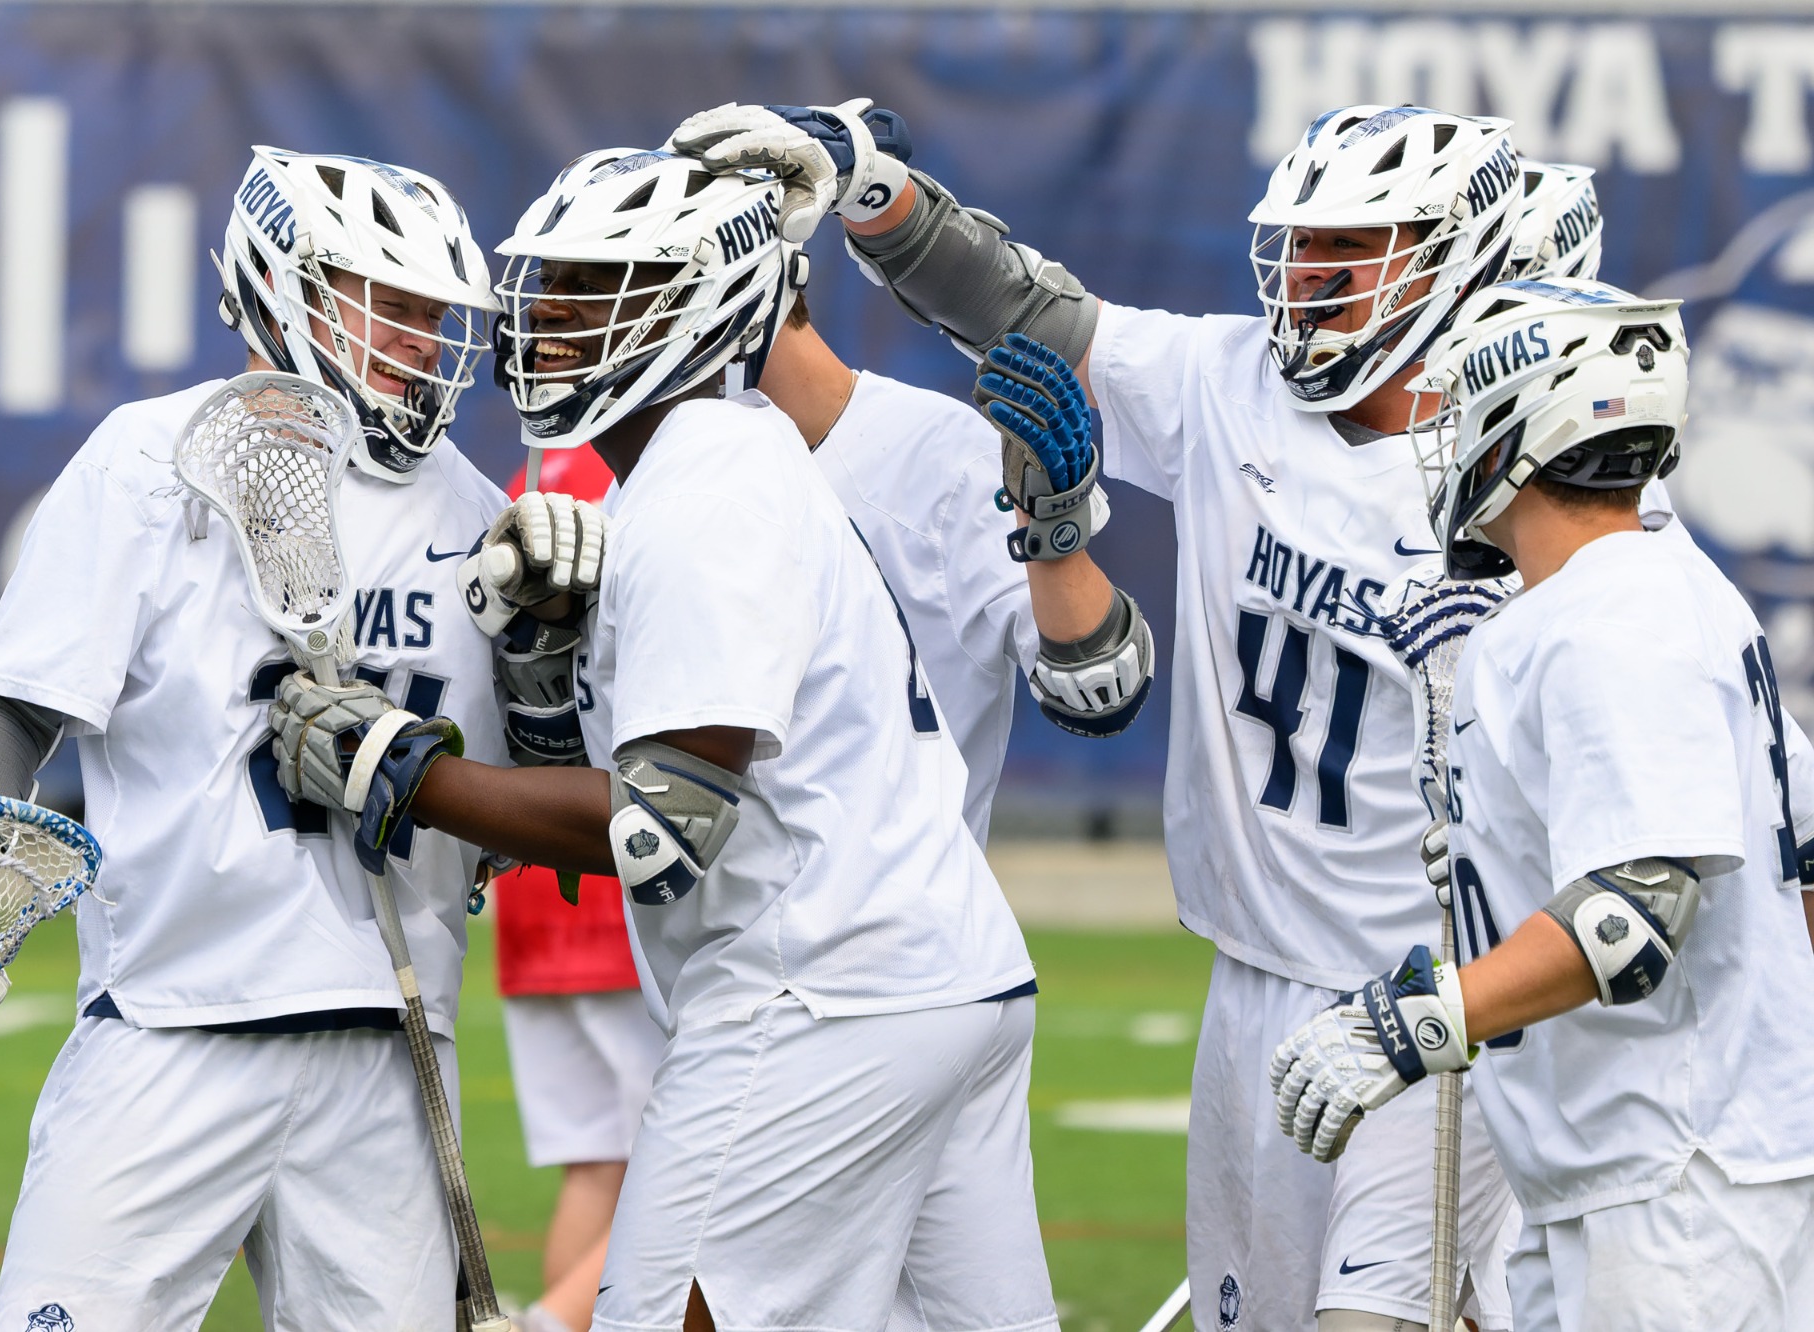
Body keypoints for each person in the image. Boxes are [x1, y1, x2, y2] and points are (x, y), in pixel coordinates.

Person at [668, 99, 1527, 1330]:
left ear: (1463, 258)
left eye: (1354, 250)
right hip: (1251, 982)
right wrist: (872, 190)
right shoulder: (1238, 385)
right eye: (1299, 247)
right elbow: (1027, 312)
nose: (1311, 280)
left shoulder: (1515, 480)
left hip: (1426, 987)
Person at [265, 147, 1057, 1332]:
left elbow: (658, 833)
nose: (551, 323)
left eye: (599, 292)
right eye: (547, 290)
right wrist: (541, 671)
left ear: (708, 309)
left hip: (817, 993)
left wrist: (404, 772)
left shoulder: (704, 483)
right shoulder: (690, 479)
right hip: (943, 976)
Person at [0, 146, 510, 1329]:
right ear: (288, 289)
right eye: (396, 307)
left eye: (436, 315)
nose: (425, 340)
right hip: (170, 1024)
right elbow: (12, 708)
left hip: (390, 1039)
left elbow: (508, 813)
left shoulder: (477, 512)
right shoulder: (148, 460)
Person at [1271, 277, 1814, 1329]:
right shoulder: (1657, 586)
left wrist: (1417, 1022)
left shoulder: (1610, 616)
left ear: (1523, 417)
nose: (1440, 433)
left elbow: (1633, 917)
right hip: (1637, 1163)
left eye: (1458, 402)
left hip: (1672, 1177)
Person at [756, 291, 1150, 845]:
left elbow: (1102, 689)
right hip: (703, 925)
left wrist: (1054, 529)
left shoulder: (944, 456)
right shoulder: (649, 477)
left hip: (905, 920)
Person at [488, 444, 664, 1332]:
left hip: (530, 889)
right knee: (684, 1171)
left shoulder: (532, 474)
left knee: (598, 1168)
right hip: (612, 872)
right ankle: (553, 1325)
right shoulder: (646, 461)